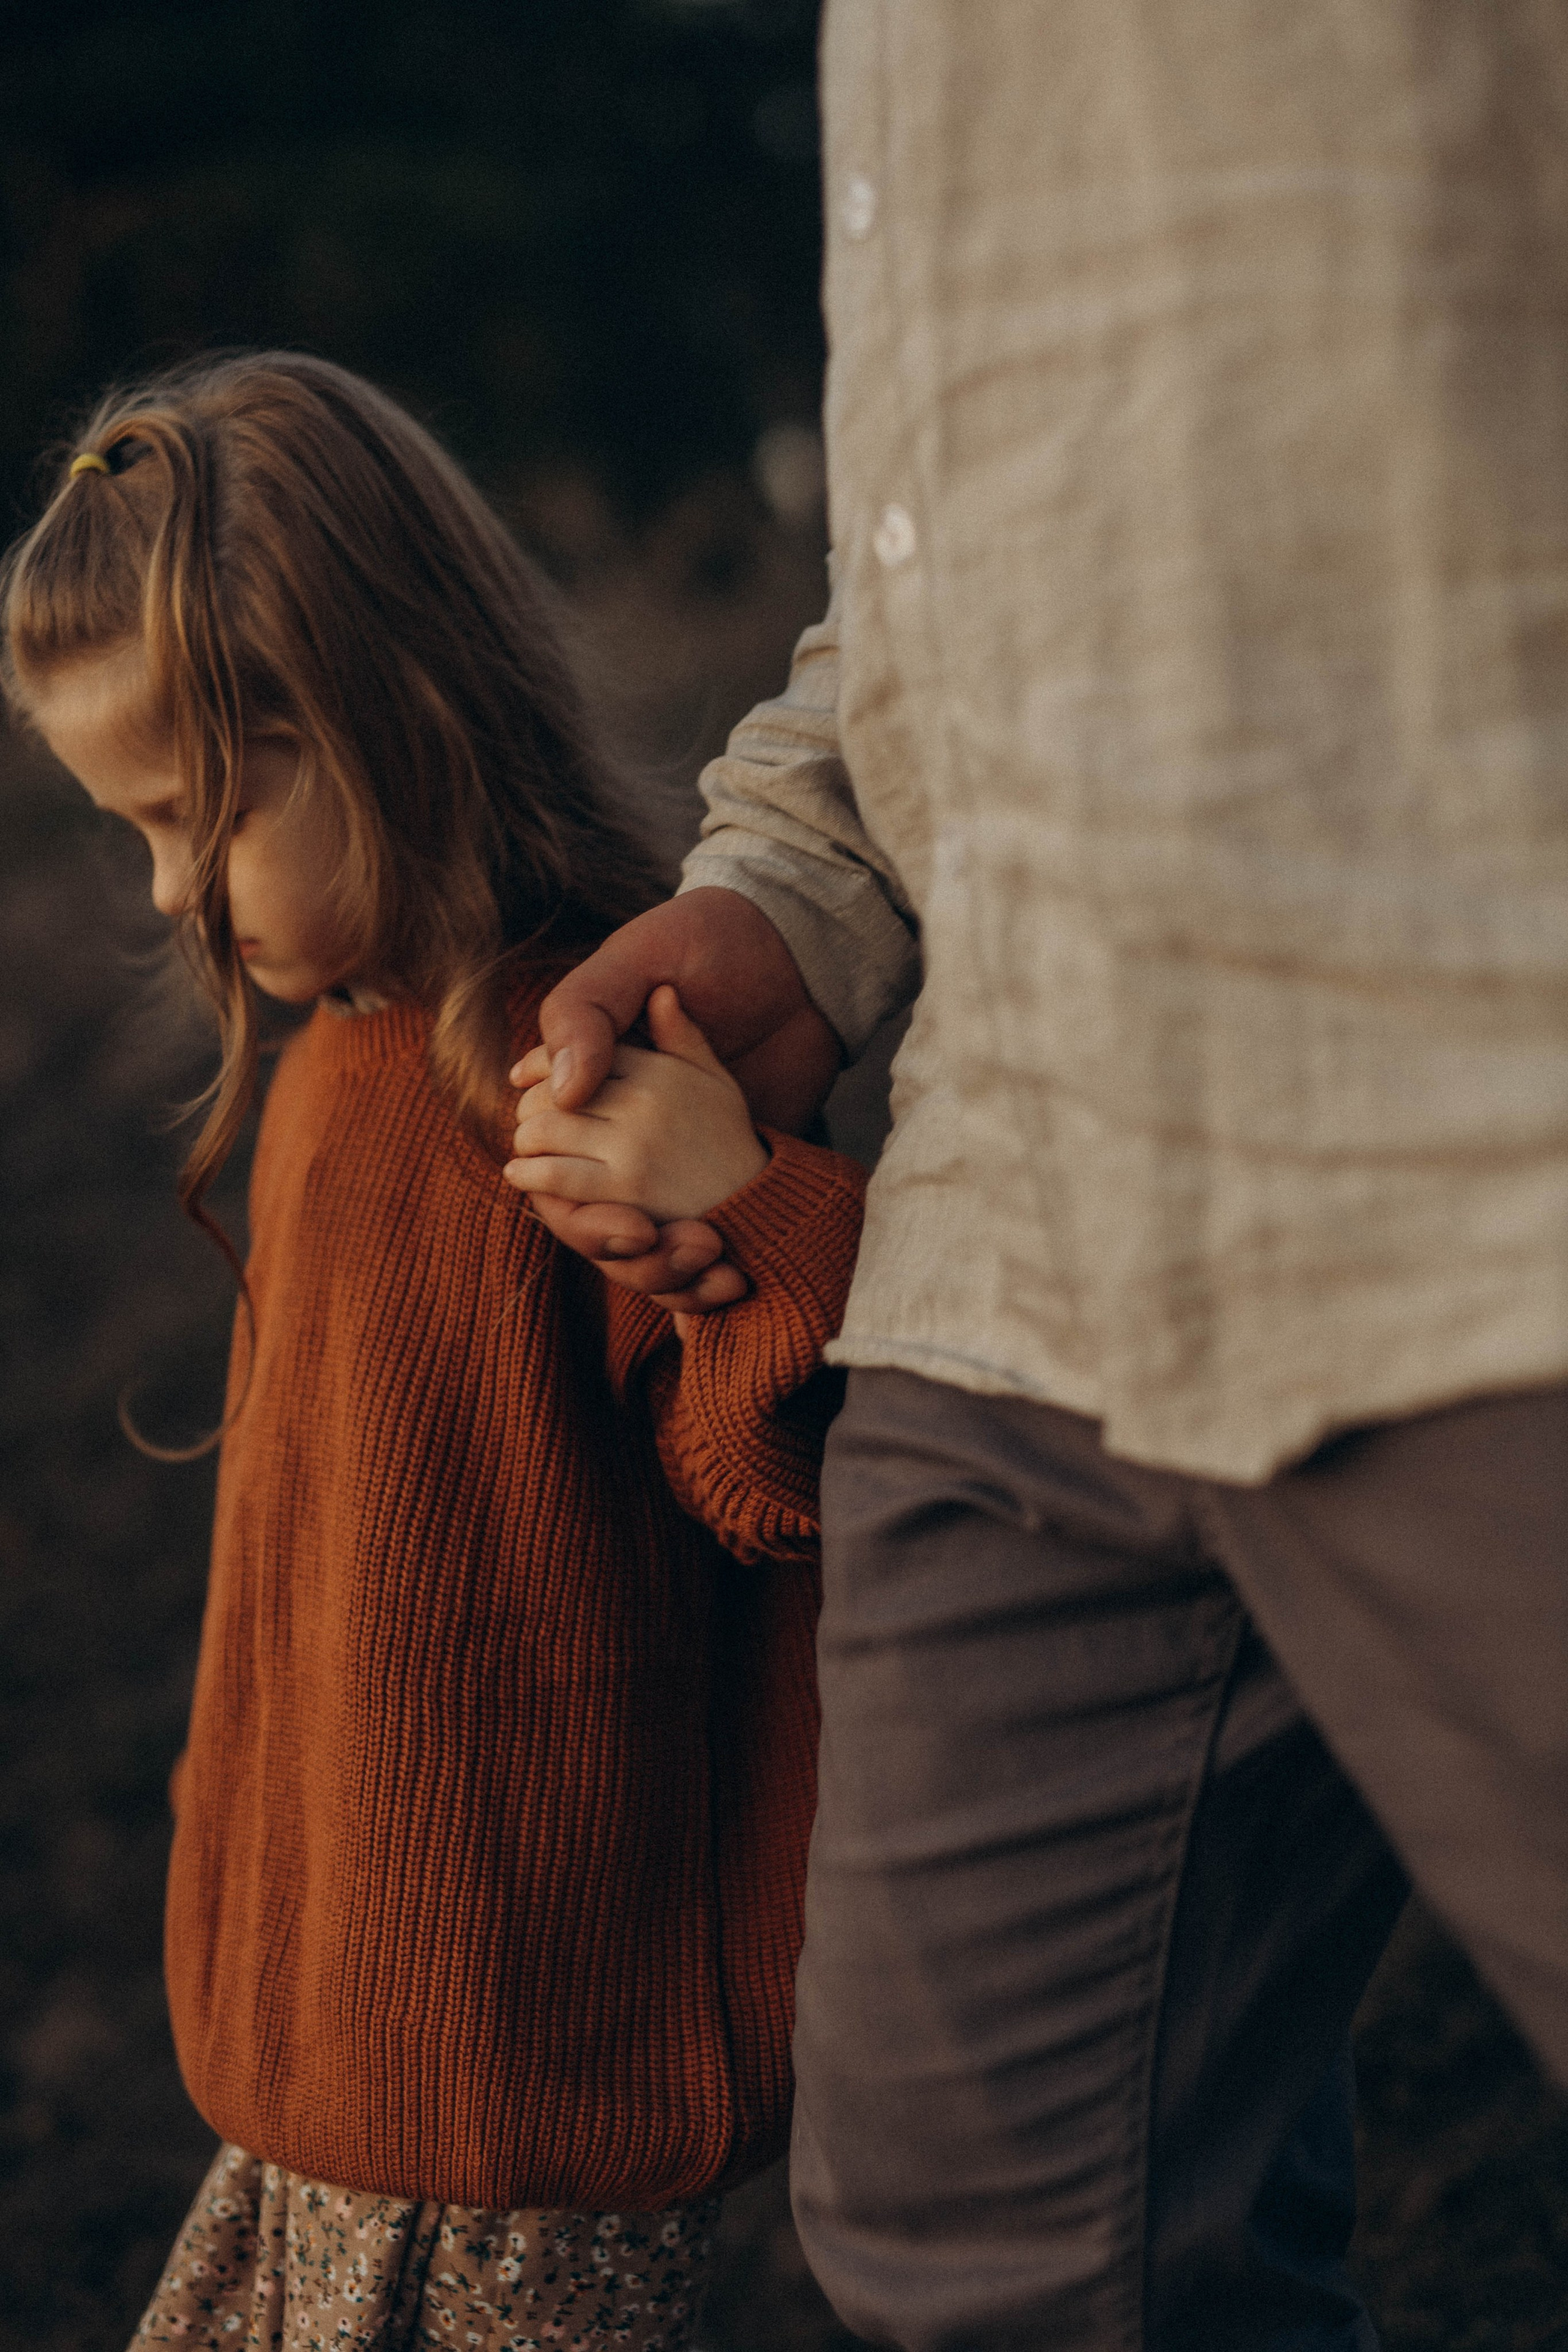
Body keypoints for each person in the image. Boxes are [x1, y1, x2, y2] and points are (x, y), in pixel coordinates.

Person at [511, 6, 1568, 2347]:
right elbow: (989, 512)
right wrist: (800, 888)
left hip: (1499, 1163)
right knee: (987, 2254)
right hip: (1024, 1255)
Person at [1, 351, 866, 2352]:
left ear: (370, 722)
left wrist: (750, 1212)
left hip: (522, 2121)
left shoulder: (581, 1071)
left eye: (187, 822)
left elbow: (789, 1492)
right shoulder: (335, 1068)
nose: (163, 895)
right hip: (315, 2067)